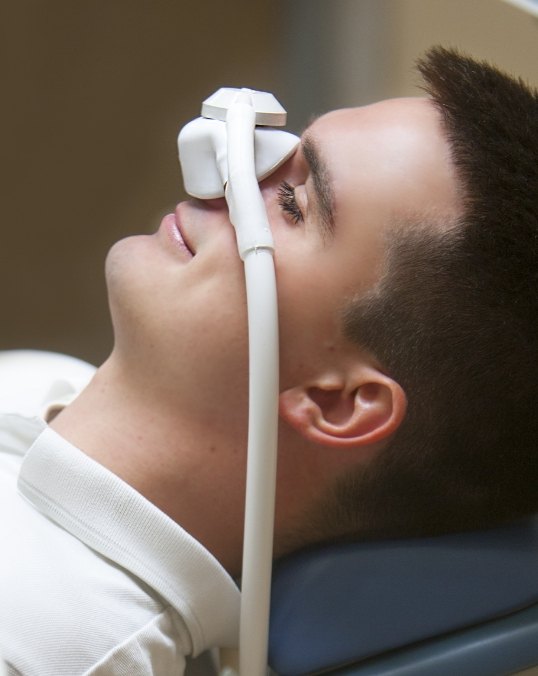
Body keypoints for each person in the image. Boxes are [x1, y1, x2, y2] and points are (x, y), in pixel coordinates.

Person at [1, 45, 537, 674]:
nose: (229, 173)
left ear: (335, 402)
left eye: (292, 204)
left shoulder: (53, 645)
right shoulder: (39, 378)